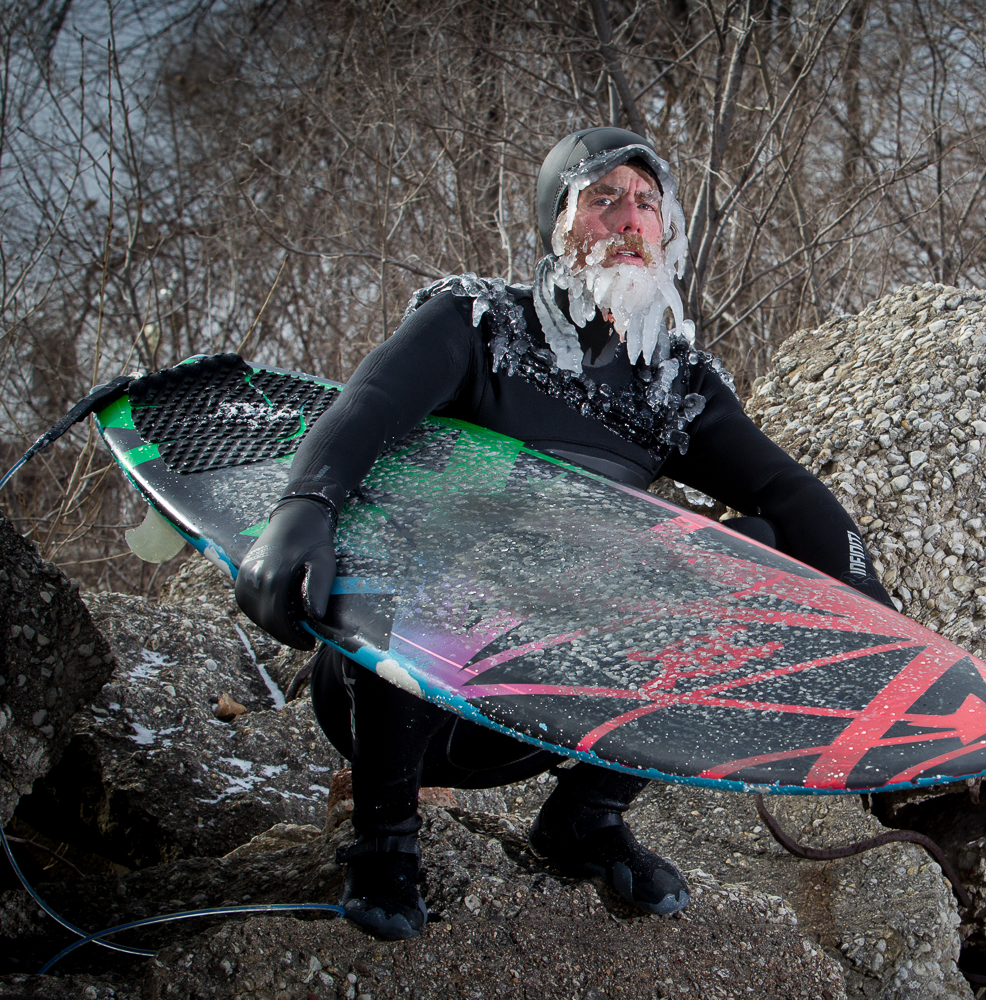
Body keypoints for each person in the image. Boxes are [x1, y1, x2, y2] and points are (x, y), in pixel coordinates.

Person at [235, 126, 892, 940]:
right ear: (557, 222)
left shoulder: (669, 384)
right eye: (603, 197)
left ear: (667, 231)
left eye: (647, 203)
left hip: (554, 700)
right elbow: (367, 406)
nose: (628, 218)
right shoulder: (478, 323)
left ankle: (587, 815)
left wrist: (879, 628)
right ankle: (384, 842)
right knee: (420, 513)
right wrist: (304, 507)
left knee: (754, 541)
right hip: (405, 693)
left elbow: (785, 489)